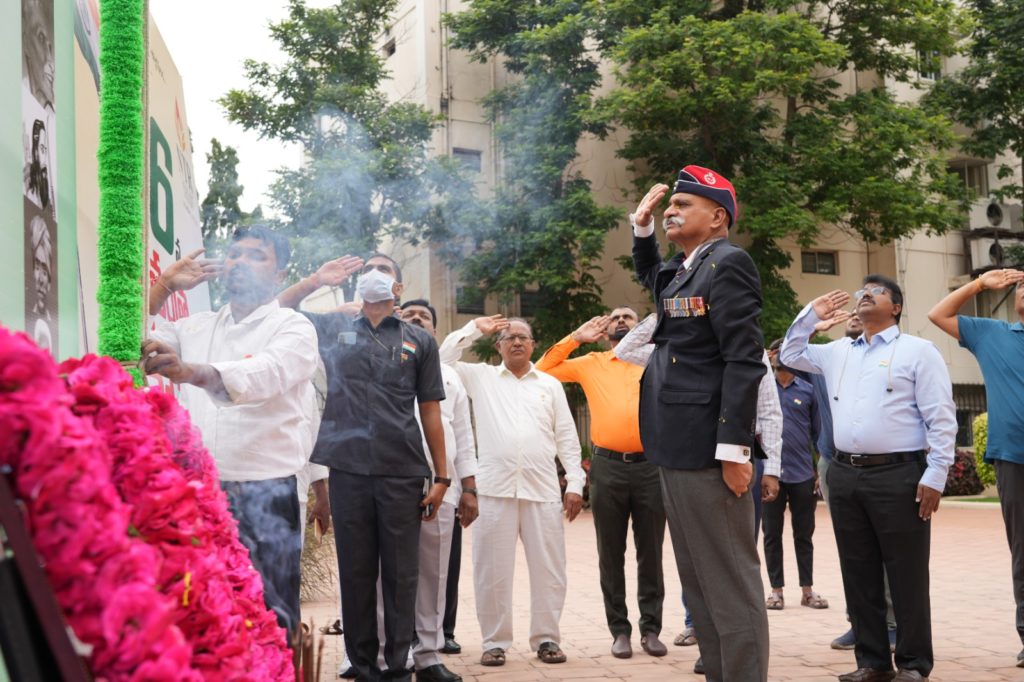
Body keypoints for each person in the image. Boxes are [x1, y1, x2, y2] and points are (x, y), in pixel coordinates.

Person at [279, 253, 451, 682]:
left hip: (402, 470)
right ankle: (361, 665)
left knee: (401, 574)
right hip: (348, 468)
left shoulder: (419, 340)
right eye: (367, 269)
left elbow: (430, 410)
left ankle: (398, 666)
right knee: (356, 572)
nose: (374, 274)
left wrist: (442, 476)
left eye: (384, 270)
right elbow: (279, 310)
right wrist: (316, 280)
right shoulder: (334, 328)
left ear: (398, 287)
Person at [143, 226, 316, 642]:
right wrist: (163, 287)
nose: (240, 262)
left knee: (271, 620)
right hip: (202, 495)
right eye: (235, 254)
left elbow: (264, 374)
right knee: (205, 615)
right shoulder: (194, 328)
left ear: (280, 273)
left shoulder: (293, 328)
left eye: (256, 255)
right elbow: (128, 343)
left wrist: (192, 372)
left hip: (267, 495)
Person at [630, 165, 770, 682]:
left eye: (682, 204)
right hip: (675, 445)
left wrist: (734, 450)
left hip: (710, 450)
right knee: (698, 579)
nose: (671, 210)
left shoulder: (729, 264)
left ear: (717, 217)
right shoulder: (687, 267)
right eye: (671, 204)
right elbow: (653, 276)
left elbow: (743, 360)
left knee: (728, 579)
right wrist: (642, 227)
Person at [781, 276, 957, 682]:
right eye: (862, 290)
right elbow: (790, 352)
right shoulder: (837, 351)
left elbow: (941, 416)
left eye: (875, 291)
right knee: (858, 571)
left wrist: (936, 474)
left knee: (906, 572)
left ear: (895, 307)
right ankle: (873, 662)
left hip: (899, 474)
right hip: (844, 473)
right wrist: (810, 316)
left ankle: (913, 663)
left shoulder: (917, 351)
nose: (864, 294)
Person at [615, 312, 783, 672]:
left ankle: (742, 663)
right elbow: (625, 349)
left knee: (732, 568)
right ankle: (713, 651)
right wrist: (664, 310)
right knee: (697, 569)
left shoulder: (743, 347)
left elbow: (768, 410)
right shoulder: (671, 351)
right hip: (682, 466)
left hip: (731, 467)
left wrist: (773, 469)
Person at [439, 315, 585, 668]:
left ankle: (547, 639)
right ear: (498, 346)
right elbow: (443, 360)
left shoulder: (550, 385)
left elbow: (566, 436)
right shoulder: (481, 377)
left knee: (550, 571)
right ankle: (495, 642)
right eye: (509, 337)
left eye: (523, 337)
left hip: (542, 490)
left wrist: (575, 483)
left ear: (533, 345)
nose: (517, 342)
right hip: (494, 491)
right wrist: (475, 328)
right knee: (491, 573)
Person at [535, 308, 668, 659]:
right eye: (615, 317)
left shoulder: (656, 359)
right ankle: (619, 630)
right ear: (606, 330)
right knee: (610, 553)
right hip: (607, 468)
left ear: (639, 327)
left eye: (629, 317)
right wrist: (575, 339)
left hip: (651, 466)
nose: (621, 321)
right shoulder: (592, 362)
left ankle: (651, 629)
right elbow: (543, 369)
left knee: (651, 551)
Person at [928, 267, 1024, 668]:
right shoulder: (992, 334)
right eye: (1023, 285)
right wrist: (979, 284)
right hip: (1013, 457)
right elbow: (938, 314)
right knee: (1022, 550)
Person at [396, 299, 480, 682]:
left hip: (441, 484)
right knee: (390, 571)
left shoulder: (450, 377)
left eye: (424, 317)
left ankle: (428, 655)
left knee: (435, 573)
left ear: (435, 331)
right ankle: (391, 653)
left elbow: (463, 434)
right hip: (392, 481)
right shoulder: (384, 363)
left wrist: (469, 487)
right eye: (408, 315)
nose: (416, 319)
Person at [762, 339, 827, 612]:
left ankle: (807, 591)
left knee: (804, 534)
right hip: (770, 474)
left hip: (801, 473)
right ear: (771, 357)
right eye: (776, 352)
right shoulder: (763, 390)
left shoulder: (808, 391)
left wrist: (819, 469)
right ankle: (775, 591)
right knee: (771, 534)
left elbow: (819, 433)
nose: (780, 357)